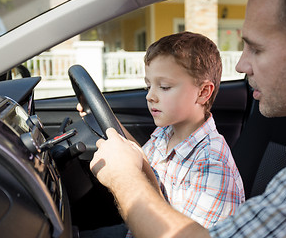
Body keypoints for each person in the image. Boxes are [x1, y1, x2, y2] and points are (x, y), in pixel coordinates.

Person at [90, 0, 286, 237]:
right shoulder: (165, 132)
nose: (239, 65)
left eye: (256, 49)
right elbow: (149, 169)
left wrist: (124, 177)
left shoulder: (213, 164)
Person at [79, 31, 245, 237]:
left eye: (164, 87)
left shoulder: (211, 164)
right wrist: (107, 122)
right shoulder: (166, 132)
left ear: (203, 92)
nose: (150, 96)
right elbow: (143, 163)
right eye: (148, 85)